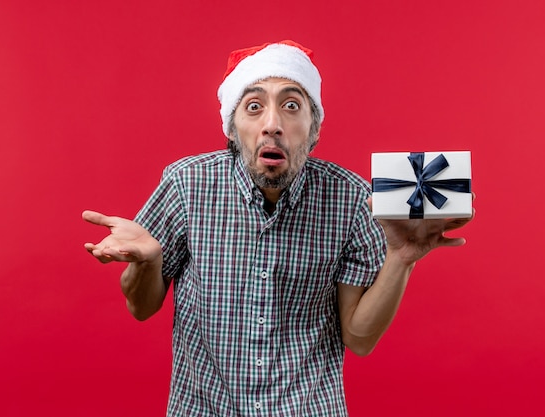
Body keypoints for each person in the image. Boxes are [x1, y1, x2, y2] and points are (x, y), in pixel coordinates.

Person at [83, 40, 473, 416]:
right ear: (232, 129)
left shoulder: (355, 199)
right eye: (253, 107)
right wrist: (148, 263)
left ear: (315, 128)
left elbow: (359, 338)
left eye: (290, 105)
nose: (272, 124)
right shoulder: (186, 184)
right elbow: (141, 307)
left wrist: (401, 259)